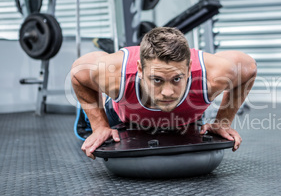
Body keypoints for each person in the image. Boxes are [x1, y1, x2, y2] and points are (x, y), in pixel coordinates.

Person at [71, 27, 257, 159]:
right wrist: (99, 125)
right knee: (94, 120)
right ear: (140, 70)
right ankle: (88, 113)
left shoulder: (211, 77)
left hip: (185, 122)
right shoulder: (117, 76)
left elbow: (249, 67)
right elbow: (78, 73)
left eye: (176, 79)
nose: (167, 92)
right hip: (124, 118)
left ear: (189, 67)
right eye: (157, 80)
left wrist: (223, 121)